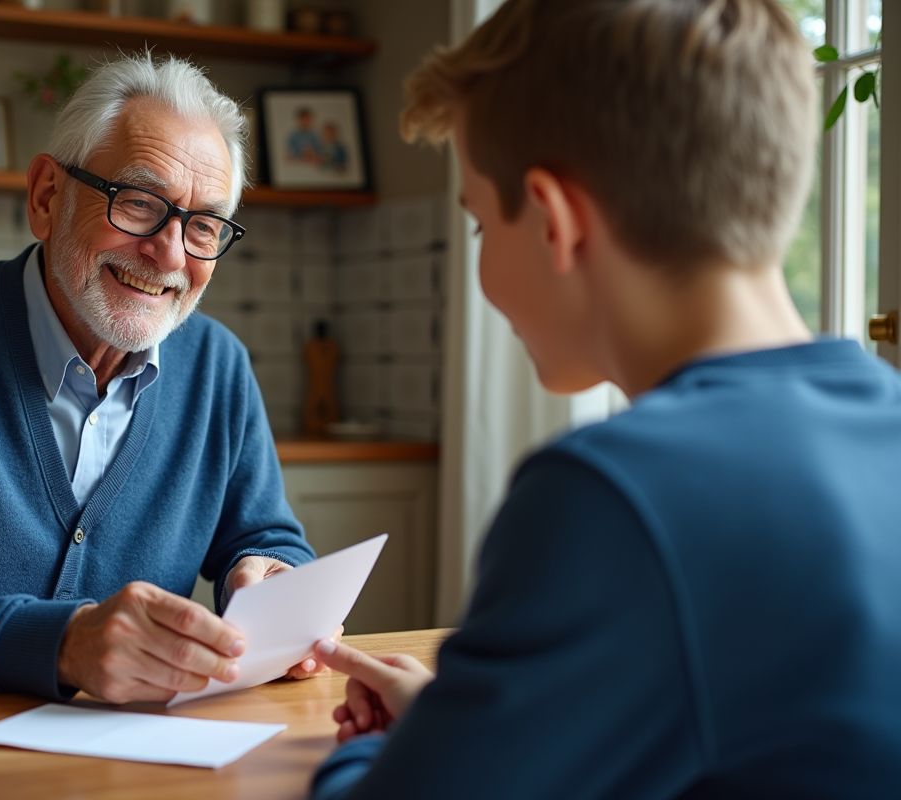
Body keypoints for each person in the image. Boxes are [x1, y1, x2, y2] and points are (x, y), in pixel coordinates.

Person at [310, 0, 901, 797]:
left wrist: (377, 753)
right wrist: (464, 725)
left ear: (553, 220)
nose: (483, 270)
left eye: (481, 226)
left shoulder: (612, 494)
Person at [0, 53, 323, 705]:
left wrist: (270, 579)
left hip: (117, 748)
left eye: (204, 226)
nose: (169, 253)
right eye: (138, 203)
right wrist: (64, 644)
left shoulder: (219, 365)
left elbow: (267, 539)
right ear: (47, 196)